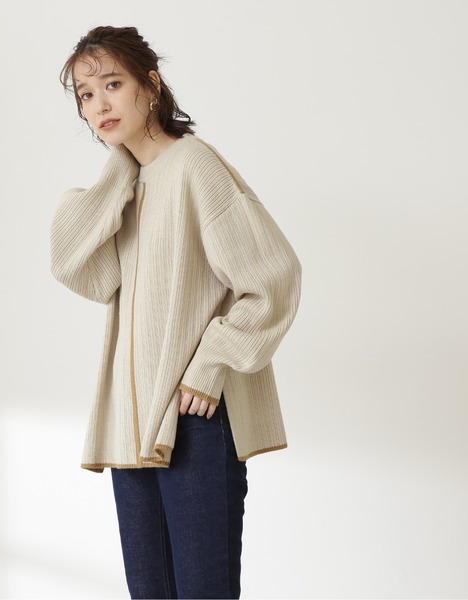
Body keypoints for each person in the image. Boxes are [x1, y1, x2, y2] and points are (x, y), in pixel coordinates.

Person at [50, 25, 301, 600]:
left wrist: (210, 365)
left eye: (113, 84)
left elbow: (274, 276)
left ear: (151, 85)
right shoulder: (128, 187)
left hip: (194, 418)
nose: (99, 104)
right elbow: (78, 267)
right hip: (130, 424)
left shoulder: (195, 167)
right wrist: (121, 167)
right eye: (86, 94)